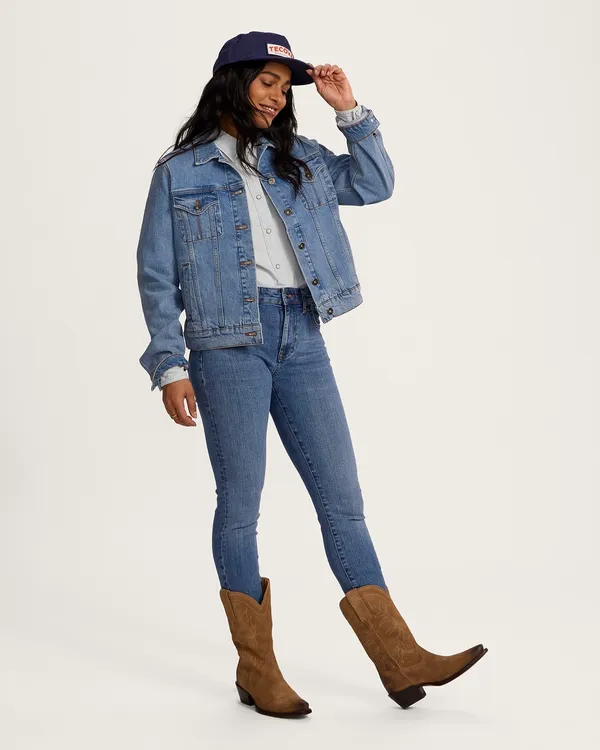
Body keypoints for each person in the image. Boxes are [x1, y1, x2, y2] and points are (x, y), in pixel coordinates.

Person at [136, 31, 487, 719]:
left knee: (343, 500)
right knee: (241, 505)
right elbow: (156, 275)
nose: (276, 96)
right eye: (265, 81)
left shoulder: (300, 157)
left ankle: (399, 657)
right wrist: (169, 364)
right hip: (225, 345)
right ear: (232, 80)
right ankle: (257, 667)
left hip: (302, 333)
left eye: (283, 85)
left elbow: (376, 184)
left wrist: (347, 108)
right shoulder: (180, 171)